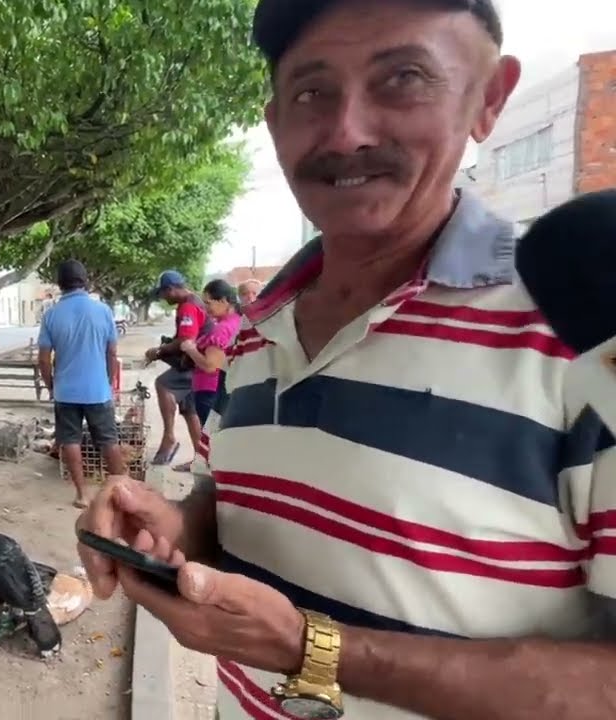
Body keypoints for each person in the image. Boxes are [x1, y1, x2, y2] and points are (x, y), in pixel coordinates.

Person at [79, 2, 616, 719]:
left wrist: (313, 649)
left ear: (488, 99)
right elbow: (232, 501)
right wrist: (179, 525)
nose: (347, 131)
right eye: (311, 92)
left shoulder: (585, 331)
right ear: (275, 124)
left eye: (403, 77)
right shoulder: (254, 333)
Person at [37, 260, 125, 509]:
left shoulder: (51, 314)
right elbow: (112, 352)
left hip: (66, 391)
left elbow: (43, 359)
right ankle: (120, 491)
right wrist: (107, 381)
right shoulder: (104, 311)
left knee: (71, 440)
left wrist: (51, 385)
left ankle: (82, 494)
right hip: (98, 389)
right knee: (109, 440)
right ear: (85, 281)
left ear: (60, 283)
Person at [172, 279, 241, 473]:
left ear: (225, 301)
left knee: (212, 441)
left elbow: (211, 366)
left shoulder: (222, 329)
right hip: (223, 388)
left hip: (209, 389)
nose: (206, 308)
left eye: (209, 302)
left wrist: (191, 349)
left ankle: (210, 480)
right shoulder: (237, 324)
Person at [144, 270, 209, 466]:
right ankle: (200, 458)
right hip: (199, 363)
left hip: (195, 363)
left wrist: (159, 351)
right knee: (190, 411)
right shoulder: (194, 300)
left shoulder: (188, 307)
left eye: (164, 294)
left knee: (163, 384)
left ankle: (169, 436)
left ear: (171, 289)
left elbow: (186, 340)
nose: (163, 298)